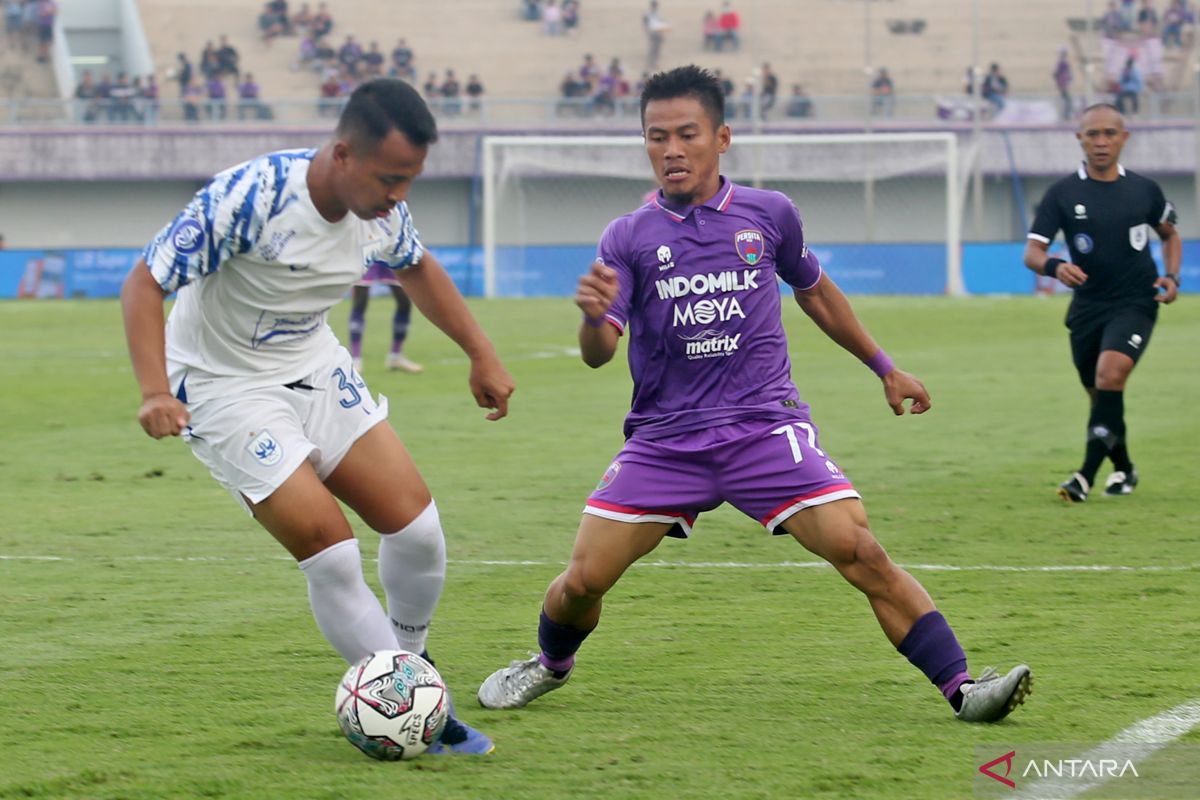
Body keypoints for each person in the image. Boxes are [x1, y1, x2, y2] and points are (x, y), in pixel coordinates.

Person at [476, 65, 1032, 724]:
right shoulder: (627, 237)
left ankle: (964, 689)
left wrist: (884, 367)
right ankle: (549, 664)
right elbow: (601, 354)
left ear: (722, 137)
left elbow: (816, 293)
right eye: (657, 137)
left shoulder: (770, 214)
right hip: (665, 442)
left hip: (763, 429)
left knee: (861, 551)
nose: (672, 150)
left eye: (687, 135)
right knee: (583, 581)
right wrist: (593, 319)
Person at [120, 78, 514, 754]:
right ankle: (419, 707)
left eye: (411, 181)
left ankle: (411, 667)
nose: (400, 197)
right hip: (222, 385)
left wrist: (480, 354)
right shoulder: (252, 198)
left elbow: (416, 267)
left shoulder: (384, 210)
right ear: (342, 155)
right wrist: (157, 391)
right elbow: (146, 281)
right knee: (330, 552)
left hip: (313, 365)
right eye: (391, 179)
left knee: (419, 533)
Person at [1023, 103, 1180, 502]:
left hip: (1136, 302)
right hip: (1087, 309)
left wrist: (1171, 275)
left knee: (1110, 377)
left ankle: (1084, 477)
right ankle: (1124, 470)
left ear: (1124, 138)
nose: (1102, 141)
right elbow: (1032, 253)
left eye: (1110, 133)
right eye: (1093, 134)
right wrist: (1055, 266)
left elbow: (1170, 234)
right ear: (1080, 139)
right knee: (1102, 396)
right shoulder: (1062, 194)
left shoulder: (1144, 189)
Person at [348, 271, 423, 374]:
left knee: (404, 302)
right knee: (360, 302)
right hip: (367, 255)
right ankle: (355, 360)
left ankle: (395, 357)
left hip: (387, 256)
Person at [1054, 48, 1073, 121]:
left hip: (1063, 82)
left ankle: (1066, 115)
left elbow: (1058, 73)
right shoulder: (1064, 62)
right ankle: (1066, 115)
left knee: (1066, 99)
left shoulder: (1062, 63)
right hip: (1063, 82)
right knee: (1066, 99)